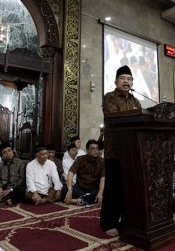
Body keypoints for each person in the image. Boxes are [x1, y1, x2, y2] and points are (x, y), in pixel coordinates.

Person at [101, 65, 141, 236]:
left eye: (129, 79)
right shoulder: (109, 97)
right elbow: (114, 118)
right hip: (114, 151)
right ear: (116, 81)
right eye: (123, 78)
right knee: (113, 188)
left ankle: (127, 219)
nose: (126, 81)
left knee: (129, 188)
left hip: (131, 152)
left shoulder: (135, 101)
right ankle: (108, 222)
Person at [64, 139, 105, 206]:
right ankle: (88, 198)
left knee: (106, 190)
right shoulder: (80, 159)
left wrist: (100, 193)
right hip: (80, 189)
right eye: (92, 149)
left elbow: (103, 178)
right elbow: (71, 173)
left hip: (94, 189)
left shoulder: (102, 161)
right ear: (87, 150)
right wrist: (70, 190)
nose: (95, 151)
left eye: (97, 149)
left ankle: (80, 200)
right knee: (64, 189)